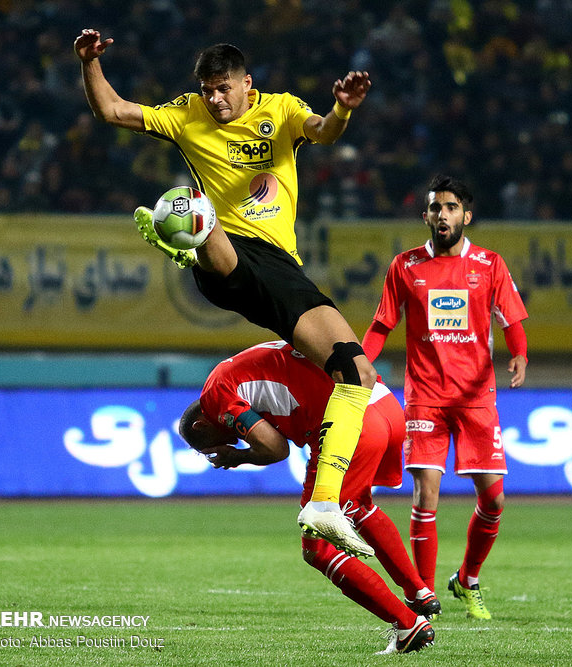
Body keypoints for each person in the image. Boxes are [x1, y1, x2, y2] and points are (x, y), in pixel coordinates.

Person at [73, 29, 375, 557]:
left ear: (245, 84)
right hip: (228, 259)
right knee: (205, 214)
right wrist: (89, 62)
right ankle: (187, 230)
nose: (214, 99)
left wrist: (343, 109)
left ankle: (324, 503)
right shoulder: (187, 114)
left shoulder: (279, 110)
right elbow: (113, 111)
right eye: (207, 90)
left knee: (357, 372)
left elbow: (323, 131)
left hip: (279, 270)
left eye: (222, 88)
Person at [178, 340, 438, 654]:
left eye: (208, 447)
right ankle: (418, 591)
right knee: (359, 506)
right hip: (383, 405)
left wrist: (236, 456)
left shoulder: (213, 398)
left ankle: (408, 625)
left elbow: (275, 448)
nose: (223, 444)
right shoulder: (238, 367)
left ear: (200, 425)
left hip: (349, 423)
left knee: (318, 548)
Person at [361, 175, 529, 619]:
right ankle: (422, 597)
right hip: (425, 398)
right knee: (425, 496)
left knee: (493, 501)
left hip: (476, 398)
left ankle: (468, 579)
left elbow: (510, 317)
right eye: (435, 208)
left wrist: (520, 355)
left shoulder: (490, 264)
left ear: (466, 216)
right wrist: (362, 364)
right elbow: (382, 325)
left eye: (451, 208)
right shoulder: (406, 266)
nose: (442, 215)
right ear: (426, 216)